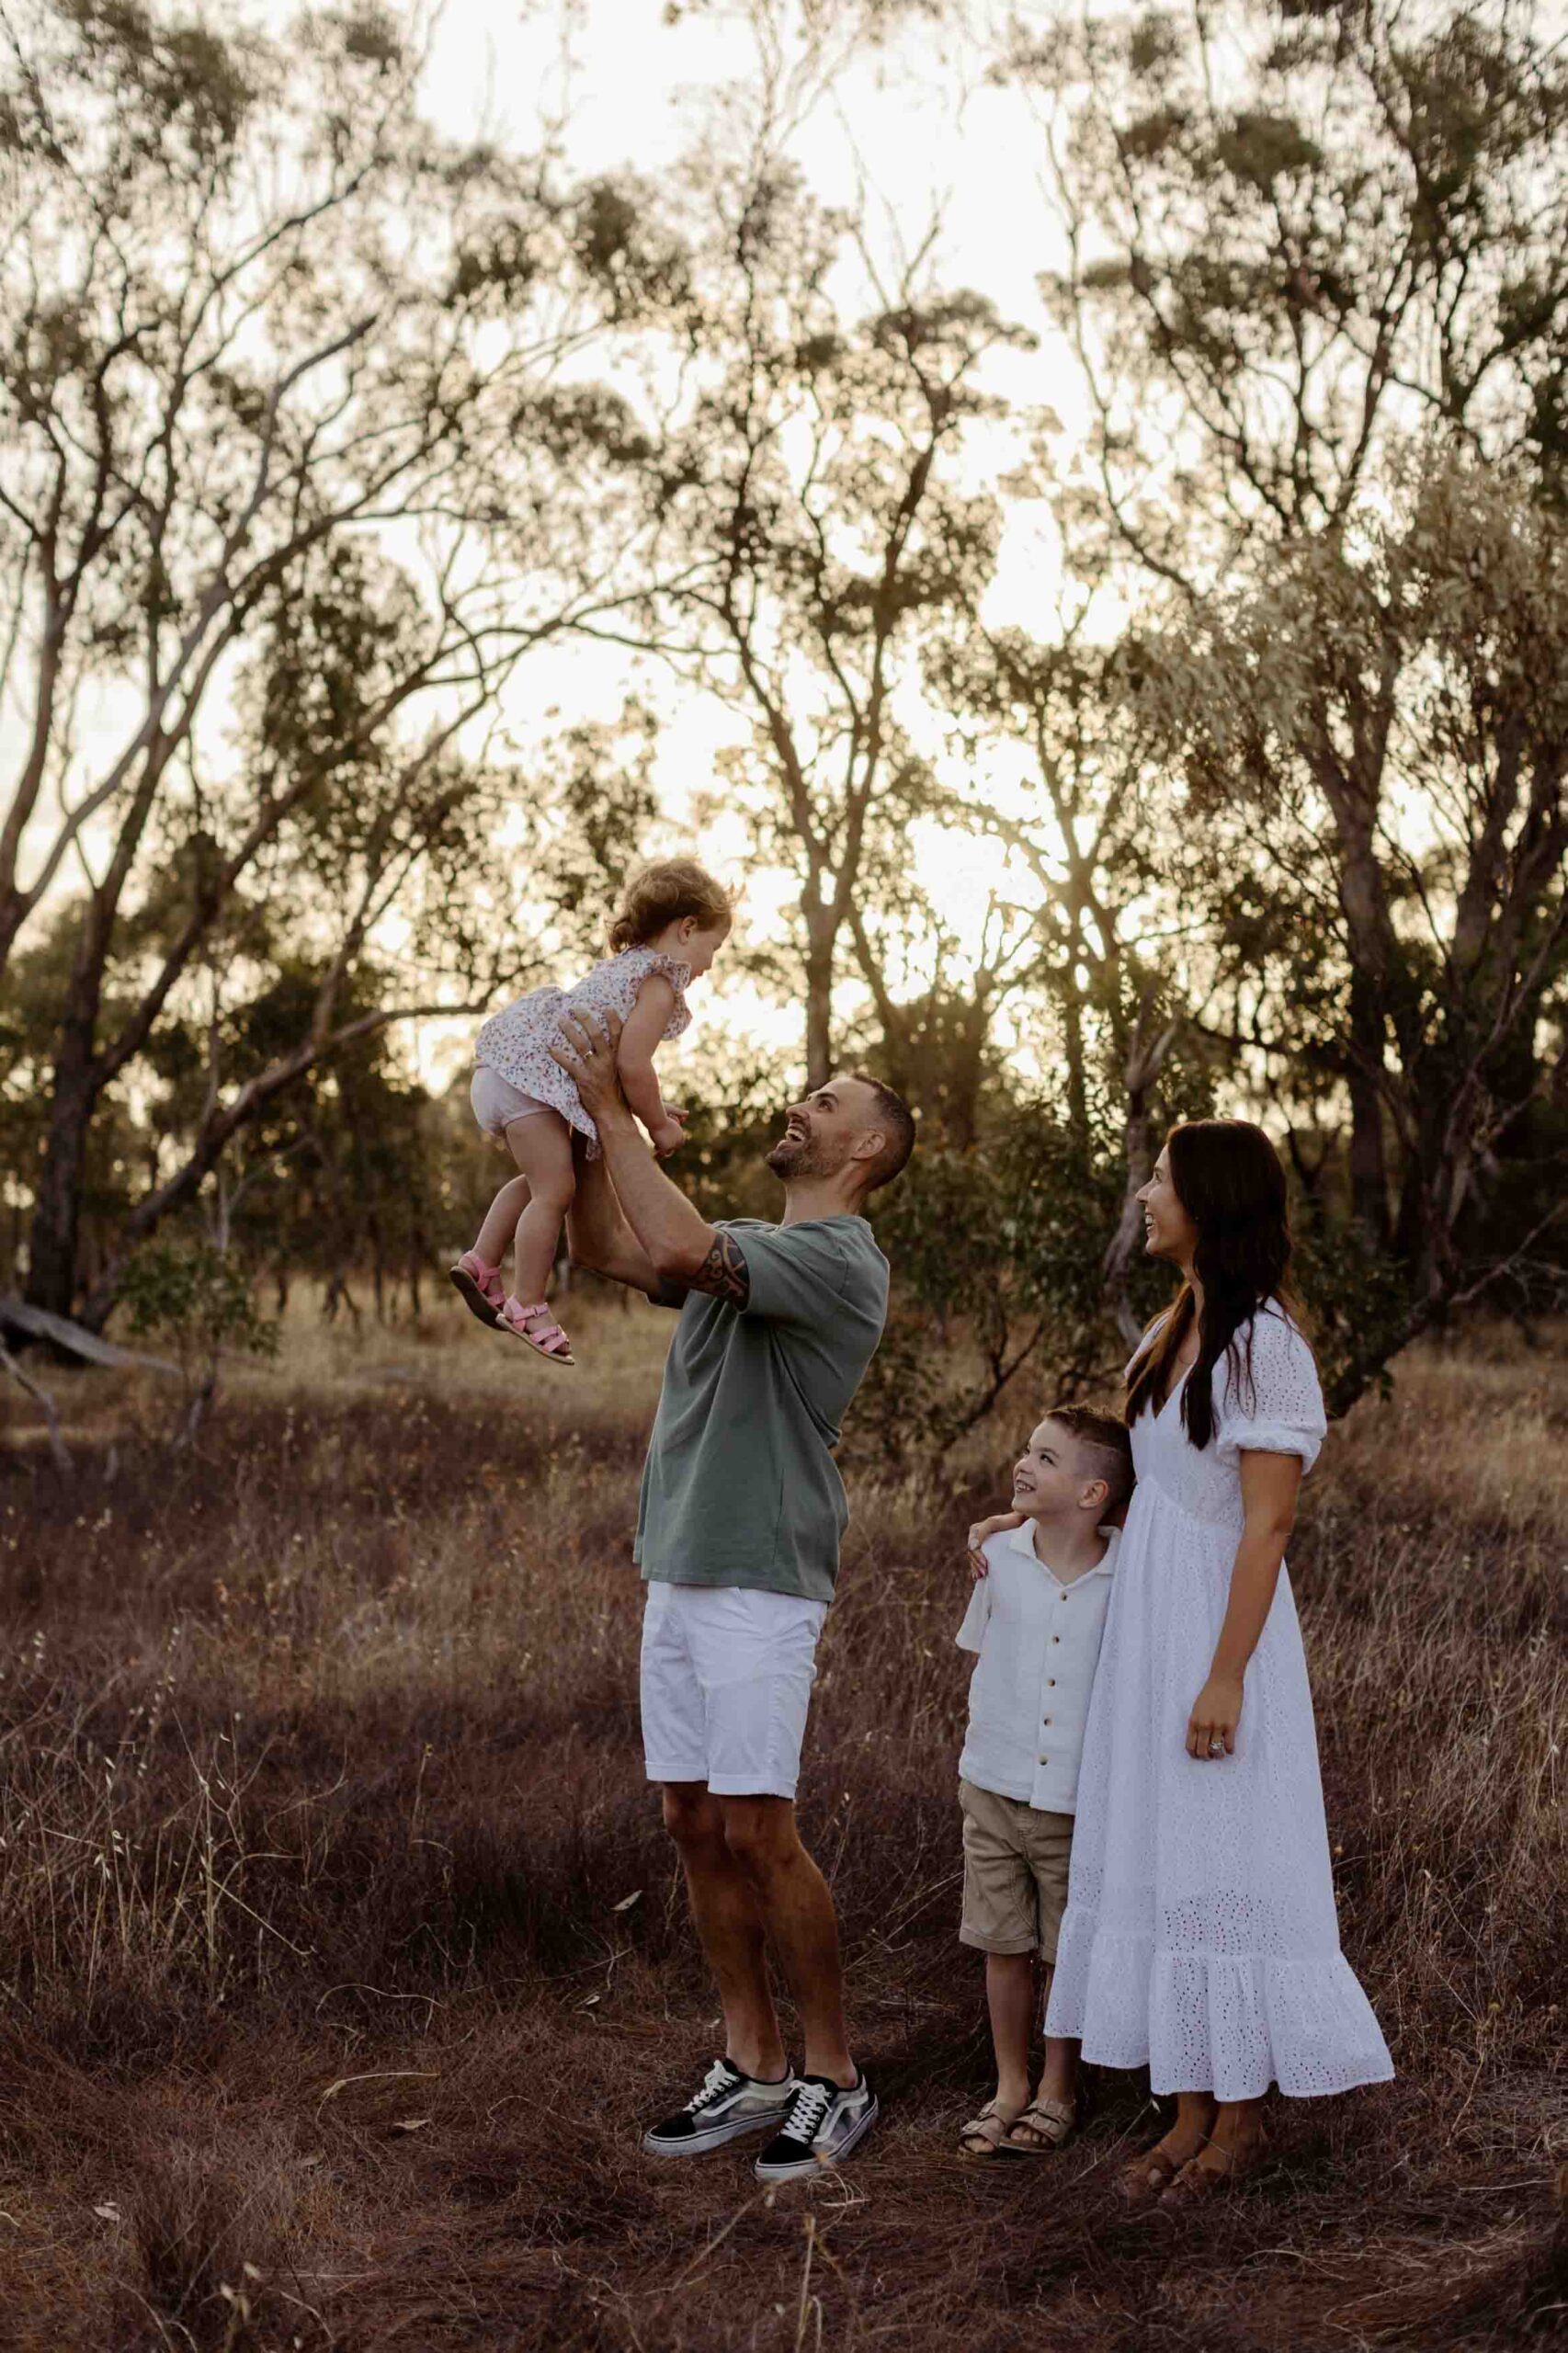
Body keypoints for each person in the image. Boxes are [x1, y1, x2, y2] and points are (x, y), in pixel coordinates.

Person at [971, 1120, 1392, 2205]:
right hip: (1149, 1632)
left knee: (1226, 1859)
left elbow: (1263, 1526)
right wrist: (1019, 1536)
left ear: (1208, 1201)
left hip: (1215, 1632)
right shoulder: (1174, 1327)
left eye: (1159, 1179)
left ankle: (1240, 2119)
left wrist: (1224, 1674)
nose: (1144, 1195)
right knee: (1167, 1855)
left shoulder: (1263, 1345)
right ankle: (1191, 2106)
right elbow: (1142, 1503)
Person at [548, 1004, 914, 2183]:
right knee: (690, 1823)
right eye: (807, 1093)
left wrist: (614, 1100)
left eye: (827, 1102)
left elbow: (670, 1249)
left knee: (761, 1830)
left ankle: (834, 2077)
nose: (799, 1106)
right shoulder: (750, 1236)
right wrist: (575, 1136)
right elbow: (616, 1246)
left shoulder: (836, 1258)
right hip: (683, 1565)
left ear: (862, 1152)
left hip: (761, 1572)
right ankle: (750, 2063)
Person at [449, 859, 732, 1366]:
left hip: (509, 1073)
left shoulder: (624, 966)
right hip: (531, 1083)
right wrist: (659, 1126)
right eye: (713, 948)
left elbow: (622, 1073)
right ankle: (528, 1302)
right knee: (556, 1192)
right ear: (687, 928)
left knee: (538, 1184)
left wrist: (649, 1104)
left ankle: (481, 1261)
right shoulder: (660, 981)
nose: (709, 964)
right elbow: (632, 1063)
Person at [952, 1406, 1133, 2160]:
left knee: (1064, 1949)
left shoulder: (1129, 1574)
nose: (1024, 1464)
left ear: (1093, 1494)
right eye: (1028, 1450)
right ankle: (1009, 2085)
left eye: (1047, 1459)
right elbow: (981, 1656)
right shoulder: (1001, 1560)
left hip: (1074, 1803)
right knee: (1003, 1942)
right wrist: (999, 1527)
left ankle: (1059, 2086)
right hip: (991, 1787)